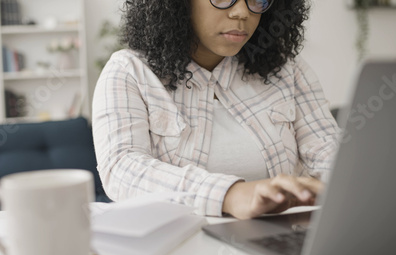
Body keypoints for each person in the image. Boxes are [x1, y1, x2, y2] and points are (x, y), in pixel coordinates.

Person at [92, 0, 340, 219]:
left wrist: (332, 185)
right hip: (177, 253)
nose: (242, 12)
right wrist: (231, 195)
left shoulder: (288, 71)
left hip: (277, 244)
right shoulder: (129, 71)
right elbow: (122, 169)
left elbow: (330, 154)